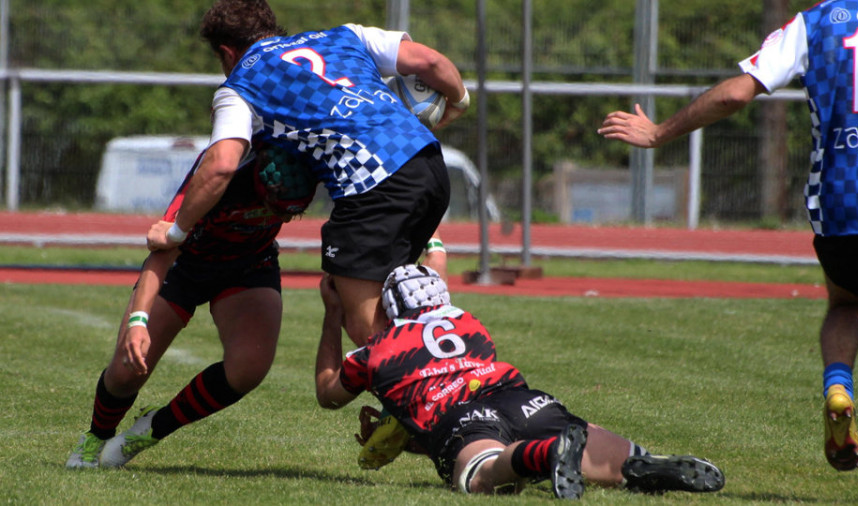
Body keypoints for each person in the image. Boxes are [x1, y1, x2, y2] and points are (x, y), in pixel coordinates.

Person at [597, 1, 858, 472]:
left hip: (844, 199)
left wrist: (659, 133)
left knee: (849, 303)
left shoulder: (818, 21)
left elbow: (734, 95)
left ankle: (839, 387)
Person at [146, 0, 469, 348]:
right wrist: (459, 101)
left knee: (366, 330)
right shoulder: (346, 35)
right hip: (429, 163)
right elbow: (429, 61)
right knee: (410, 301)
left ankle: (433, 392)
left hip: (369, 186)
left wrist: (177, 231)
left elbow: (221, 165)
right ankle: (437, 381)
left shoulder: (240, 84)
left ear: (226, 53)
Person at [314, 264, 725, 498]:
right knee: (597, 452)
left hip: (462, 416)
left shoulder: (376, 350)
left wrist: (333, 312)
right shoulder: (470, 324)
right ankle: (636, 462)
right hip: (522, 398)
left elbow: (329, 394)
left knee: (480, 474)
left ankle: (545, 453)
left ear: (389, 312)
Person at [65, 144, 317, 468]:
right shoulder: (216, 181)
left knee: (248, 368)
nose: (283, 217)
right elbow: (163, 252)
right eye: (278, 207)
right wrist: (138, 321)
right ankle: (96, 437)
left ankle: (153, 428)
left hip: (249, 264)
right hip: (183, 266)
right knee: (127, 369)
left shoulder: (307, 157)